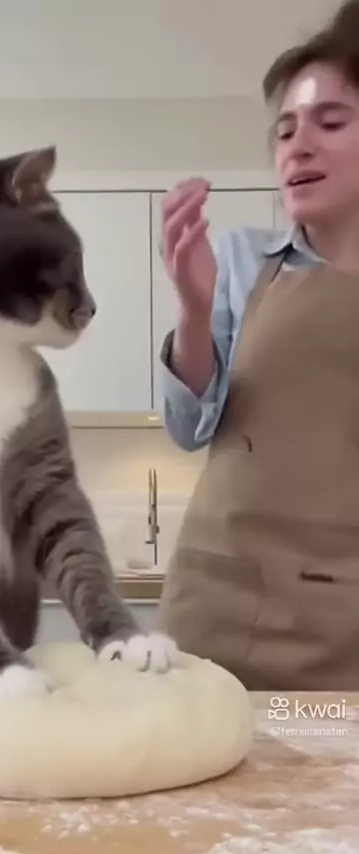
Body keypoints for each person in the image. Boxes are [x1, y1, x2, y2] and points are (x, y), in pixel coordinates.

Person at [156, 0, 359, 691]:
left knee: (321, 755)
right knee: (198, 750)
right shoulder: (244, 261)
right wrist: (194, 308)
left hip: (341, 629)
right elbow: (188, 427)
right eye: (285, 131)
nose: (298, 146)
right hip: (211, 607)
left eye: (331, 122)